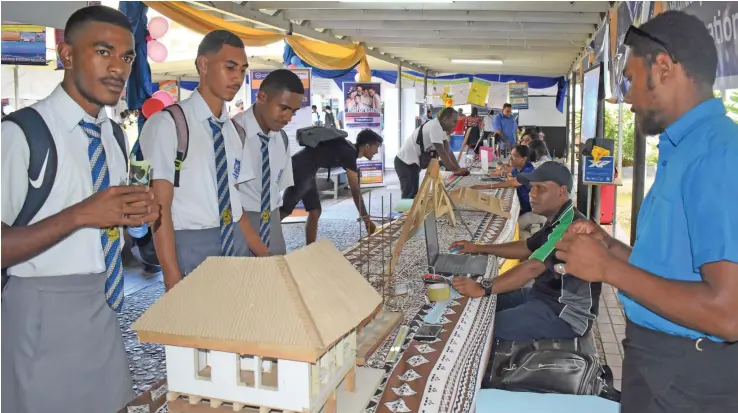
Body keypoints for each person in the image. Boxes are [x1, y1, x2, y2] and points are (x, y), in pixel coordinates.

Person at [554, 11, 738, 413]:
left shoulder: (719, 154)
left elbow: (728, 312)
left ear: (665, 68)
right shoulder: (683, 149)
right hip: (662, 364)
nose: (627, 97)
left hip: (689, 376)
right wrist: (609, 249)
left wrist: (608, 269)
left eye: (631, 78)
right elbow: (670, 269)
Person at [1, 6, 159, 413]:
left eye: (126, 57)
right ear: (67, 55)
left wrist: (133, 215)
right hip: (40, 311)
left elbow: (105, 227)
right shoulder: (22, 135)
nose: (117, 68)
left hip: (104, 308)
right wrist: (81, 214)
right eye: (103, 51)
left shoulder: (112, 136)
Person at [140, 30, 250, 291]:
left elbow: (234, 195)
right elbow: (160, 207)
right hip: (191, 243)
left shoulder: (234, 131)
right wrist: (171, 275)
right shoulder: (169, 124)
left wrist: (256, 247)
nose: (238, 77)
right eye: (230, 67)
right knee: (197, 327)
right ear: (203, 65)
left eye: (243, 70)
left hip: (234, 239)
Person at [451, 162, 599, 343]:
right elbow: (526, 246)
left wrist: (483, 287)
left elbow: (532, 267)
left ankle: (494, 369)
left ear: (561, 191)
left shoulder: (571, 227)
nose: (532, 194)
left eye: (540, 188)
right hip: (542, 295)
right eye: (531, 188)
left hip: (564, 314)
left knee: (482, 329)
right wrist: (478, 248)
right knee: (481, 307)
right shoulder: (560, 218)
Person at [235, 69, 302, 256]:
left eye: (293, 112)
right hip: (238, 223)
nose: (288, 118)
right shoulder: (231, 134)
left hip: (271, 220)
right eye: (283, 108)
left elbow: (277, 188)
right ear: (262, 96)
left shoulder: (281, 138)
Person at [280, 128, 383, 245]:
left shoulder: (349, 149)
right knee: (285, 210)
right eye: (377, 147)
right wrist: (366, 220)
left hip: (307, 168)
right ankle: (263, 235)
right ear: (367, 146)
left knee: (315, 211)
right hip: (301, 168)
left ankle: (310, 249)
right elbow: (355, 189)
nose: (376, 151)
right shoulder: (349, 153)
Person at [394, 107, 468, 199]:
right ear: (445, 119)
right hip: (404, 162)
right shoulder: (435, 126)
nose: (455, 125)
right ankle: (405, 212)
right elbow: (442, 152)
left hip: (413, 163)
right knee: (408, 195)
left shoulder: (441, 129)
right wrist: (455, 170)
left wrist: (458, 168)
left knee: (413, 194)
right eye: (454, 121)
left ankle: (409, 212)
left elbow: (448, 151)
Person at [472, 144, 534, 215]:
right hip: (520, 204)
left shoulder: (529, 170)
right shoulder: (519, 167)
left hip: (526, 209)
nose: (510, 158)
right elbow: (507, 172)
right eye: (510, 155)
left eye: (513, 156)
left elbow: (513, 182)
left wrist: (484, 187)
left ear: (524, 159)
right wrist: (486, 173)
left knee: (491, 211)